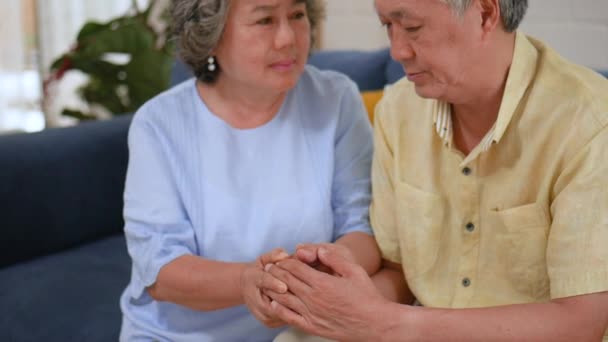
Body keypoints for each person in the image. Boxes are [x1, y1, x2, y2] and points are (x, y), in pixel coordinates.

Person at [264, 0, 608, 341]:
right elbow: (397, 273)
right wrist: (331, 292)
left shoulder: (590, 122)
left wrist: (389, 324)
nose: (397, 50)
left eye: (412, 27)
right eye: (388, 26)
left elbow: (581, 323)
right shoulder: (399, 109)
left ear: (486, 13)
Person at [118, 0, 381, 340]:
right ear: (210, 35)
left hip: (303, 331)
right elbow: (160, 271)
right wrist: (250, 281)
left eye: (297, 15)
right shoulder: (159, 125)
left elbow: (365, 230)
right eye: (265, 20)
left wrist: (326, 271)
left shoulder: (335, 99)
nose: (288, 37)